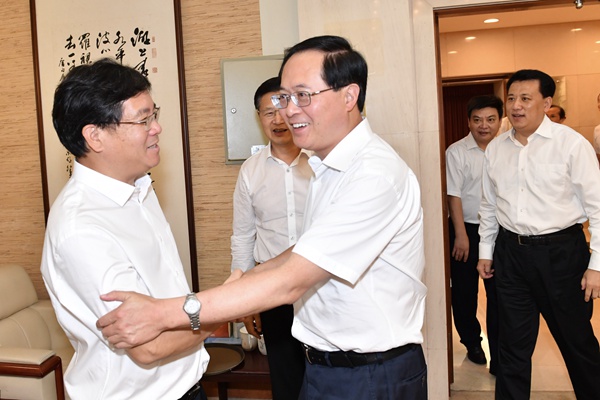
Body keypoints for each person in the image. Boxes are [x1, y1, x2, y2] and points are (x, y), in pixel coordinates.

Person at [97, 35, 428, 400]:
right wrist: (242, 281)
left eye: (303, 95)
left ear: (349, 96)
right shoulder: (326, 167)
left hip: (369, 375)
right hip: (328, 367)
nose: (289, 111)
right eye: (284, 97)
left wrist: (165, 313)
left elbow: (291, 280)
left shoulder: (373, 175)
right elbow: (299, 251)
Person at [41, 58, 217, 400]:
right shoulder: (82, 228)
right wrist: (227, 307)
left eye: (154, 115)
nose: (156, 128)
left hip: (186, 385)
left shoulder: (138, 188)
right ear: (95, 136)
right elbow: (148, 347)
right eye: (142, 119)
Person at [477, 69, 600, 400]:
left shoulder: (571, 144)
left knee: (577, 343)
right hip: (511, 255)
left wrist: (597, 266)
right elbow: (489, 205)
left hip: (562, 255)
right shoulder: (496, 148)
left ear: (546, 103)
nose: (516, 106)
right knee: (511, 347)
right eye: (511, 98)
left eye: (525, 98)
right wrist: (486, 252)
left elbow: (598, 207)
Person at [230, 76, 310, 399]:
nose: (277, 119)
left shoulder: (320, 162)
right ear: (258, 118)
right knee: (286, 380)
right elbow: (243, 237)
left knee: (327, 376)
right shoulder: (251, 171)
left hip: (320, 286)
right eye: (268, 112)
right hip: (273, 292)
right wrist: (245, 297)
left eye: (282, 109)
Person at [446, 95, 501, 375]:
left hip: (500, 231)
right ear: (468, 121)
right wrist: (460, 235)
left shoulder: (508, 149)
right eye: (477, 120)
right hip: (465, 229)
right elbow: (453, 195)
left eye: (490, 119)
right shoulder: (456, 152)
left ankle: (500, 352)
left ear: (500, 121)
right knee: (464, 292)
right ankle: (472, 342)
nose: (484, 125)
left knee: (499, 294)